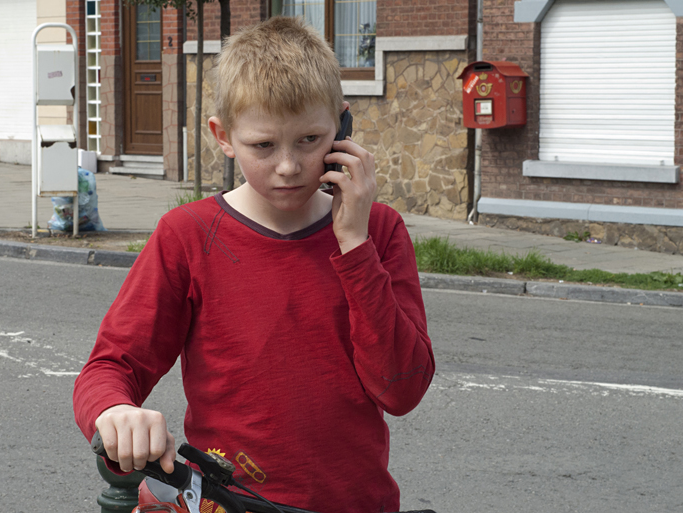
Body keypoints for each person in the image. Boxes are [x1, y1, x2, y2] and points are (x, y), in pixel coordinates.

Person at [73, 16, 435, 513]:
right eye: (263, 146)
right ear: (223, 136)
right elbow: (111, 365)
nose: (288, 166)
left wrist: (354, 243)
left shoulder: (379, 231)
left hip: (354, 503)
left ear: (342, 126)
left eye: (310, 140)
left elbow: (402, 389)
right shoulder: (188, 234)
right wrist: (115, 412)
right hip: (223, 502)